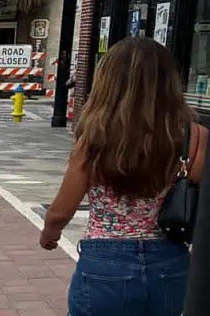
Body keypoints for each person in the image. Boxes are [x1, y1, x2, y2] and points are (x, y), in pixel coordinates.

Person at [41, 38, 207, 316]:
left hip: (106, 263)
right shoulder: (197, 138)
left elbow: (60, 211)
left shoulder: (95, 137)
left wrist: (51, 233)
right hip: (171, 262)